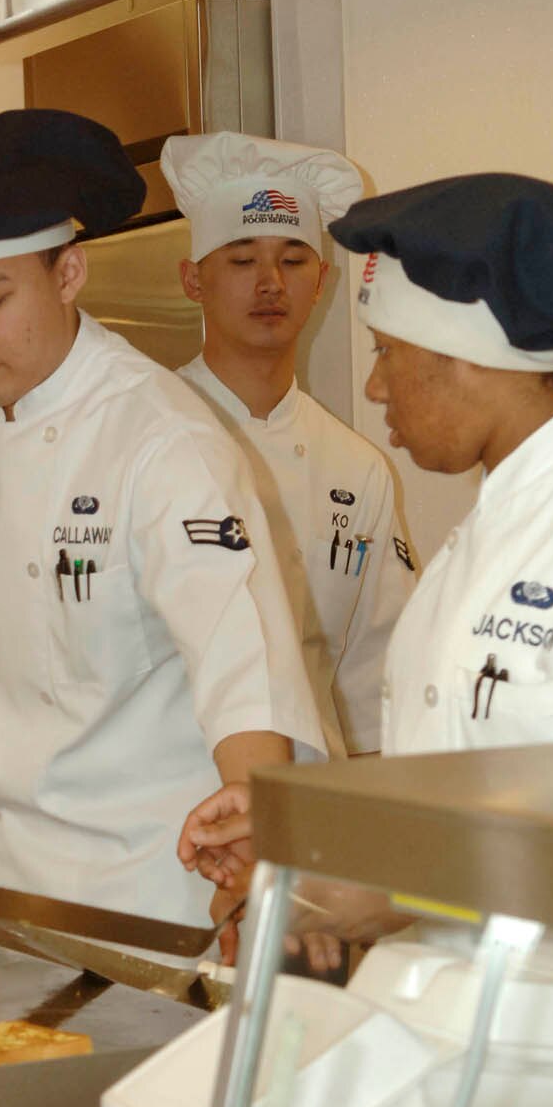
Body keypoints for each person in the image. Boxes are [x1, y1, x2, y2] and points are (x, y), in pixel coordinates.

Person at [179, 171, 553, 944]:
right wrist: (308, 829)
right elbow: (480, 787)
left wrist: (404, 893)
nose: (375, 385)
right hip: (467, 1018)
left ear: (465, 361)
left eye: (388, 353)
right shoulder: (490, 539)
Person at [0, 109, 322, 929]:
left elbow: (241, 660)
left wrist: (254, 821)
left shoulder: (161, 439)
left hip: (160, 888)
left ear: (69, 274)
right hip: (17, 876)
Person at [162, 131, 415, 760]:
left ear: (323, 280)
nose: (271, 282)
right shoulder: (144, 435)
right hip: (162, 813)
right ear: (194, 280)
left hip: (307, 808)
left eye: (294, 260)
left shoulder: (356, 469)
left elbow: (372, 682)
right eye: (242, 260)